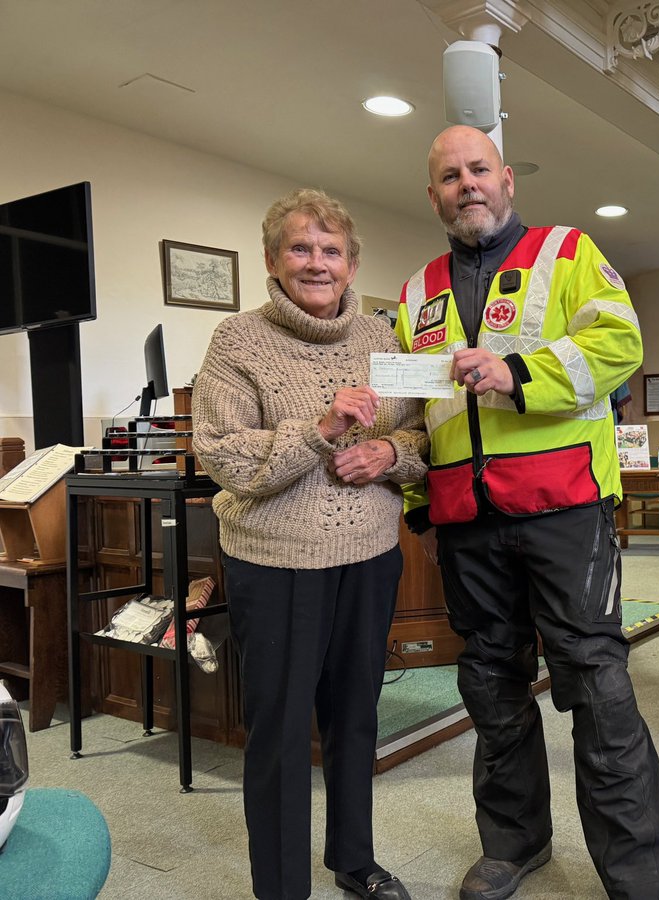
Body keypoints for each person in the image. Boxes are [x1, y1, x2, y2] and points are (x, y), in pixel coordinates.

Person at [396, 125, 659, 900]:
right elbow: (418, 412)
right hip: (466, 521)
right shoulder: (416, 292)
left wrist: (516, 371)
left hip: (564, 508)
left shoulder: (569, 252)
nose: (467, 185)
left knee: (597, 684)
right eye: (450, 176)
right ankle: (513, 845)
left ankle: (635, 873)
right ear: (434, 195)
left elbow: (620, 343)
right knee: (490, 685)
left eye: (478, 169)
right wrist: (420, 498)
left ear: (507, 178)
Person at [192, 188, 427, 900]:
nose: (316, 263)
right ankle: (283, 886)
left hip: (371, 558)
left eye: (331, 251)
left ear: (353, 264)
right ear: (272, 259)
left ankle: (353, 860)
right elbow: (222, 455)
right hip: (276, 564)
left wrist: (388, 452)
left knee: (356, 716)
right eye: (300, 248)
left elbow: (425, 438)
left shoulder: (384, 340)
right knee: (281, 734)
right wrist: (319, 431)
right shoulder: (237, 341)